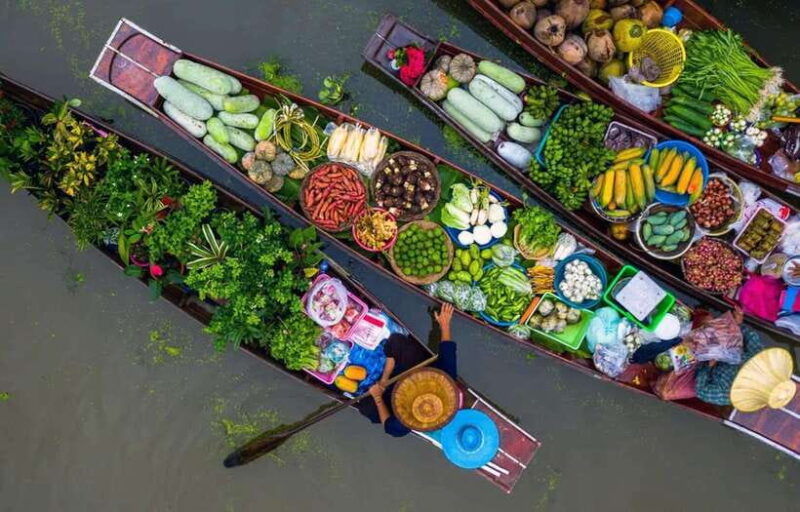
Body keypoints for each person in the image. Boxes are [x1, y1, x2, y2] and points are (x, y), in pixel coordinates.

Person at [356, 303, 458, 437]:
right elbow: (447, 348)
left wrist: (377, 397)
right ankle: (385, 374)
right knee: (396, 341)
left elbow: (389, 427)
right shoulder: (446, 380)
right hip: (415, 368)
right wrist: (444, 324)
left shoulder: (407, 420)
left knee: (366, 407)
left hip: (395, 396)